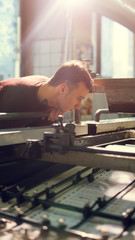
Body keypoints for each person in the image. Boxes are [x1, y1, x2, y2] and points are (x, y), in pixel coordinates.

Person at [0, 60, 93, 129]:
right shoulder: (10, 96)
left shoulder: (47, 86)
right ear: (63, 89)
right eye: (79, 98)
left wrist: (52, 107)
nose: (78, 106)